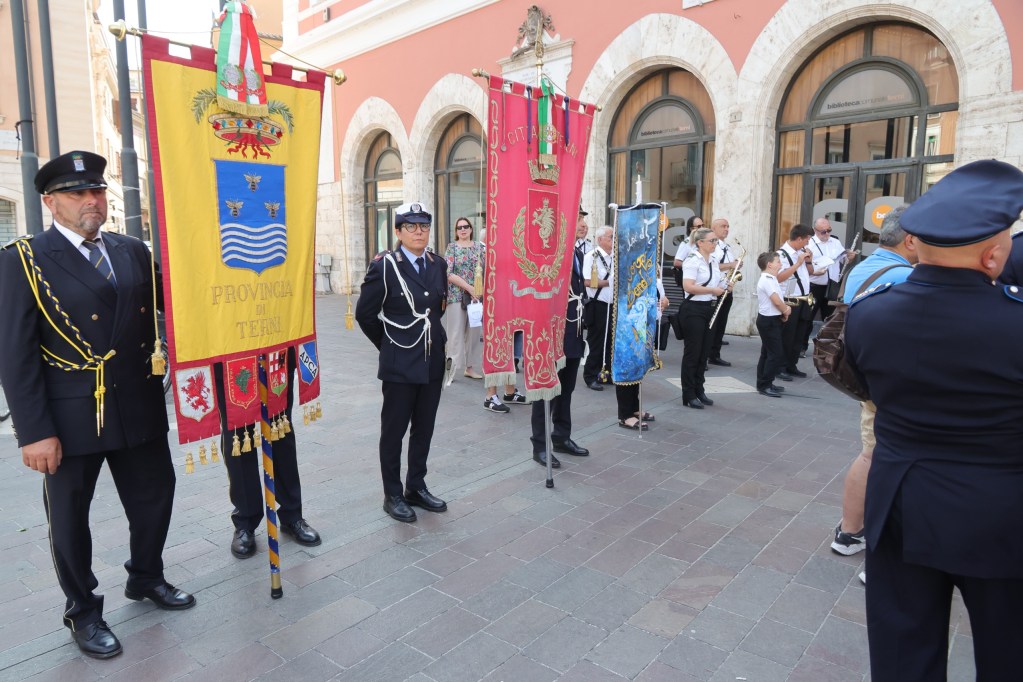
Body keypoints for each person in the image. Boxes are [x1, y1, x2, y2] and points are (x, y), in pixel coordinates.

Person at [0, 151, 195, 659]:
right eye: (76, 193)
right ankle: (83, 611)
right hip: (68, 416)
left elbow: (173, 305)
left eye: (97, 191)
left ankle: (145, 576)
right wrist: (33, 431)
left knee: (155, 497)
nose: (91, 201)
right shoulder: (23, 258)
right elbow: (15, 353)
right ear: (50, 202)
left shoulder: (131, 250)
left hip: (137, 402)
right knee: (69, 518)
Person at [845, 159, 1023, 681]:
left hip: (899, 498)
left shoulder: (869, 312)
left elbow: (868, 386)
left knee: (903, 652)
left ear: (917, 245)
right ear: (993, 256)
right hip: (1000, 509)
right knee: (1008, 650)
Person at [830, 205, 916, 559]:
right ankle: (870, 540)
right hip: (895, 383)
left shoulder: (862, 267)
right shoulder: (905, 277)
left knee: (870, 452)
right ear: (911, 240)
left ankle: (849, 531)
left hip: (866, 376)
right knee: (884, 457)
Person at [355, 201, 449, 524]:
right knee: (394, 432)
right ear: (397, 232)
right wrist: (390, 345)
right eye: (411, 226)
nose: (419, 232)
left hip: (431, 362)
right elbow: (364, 314)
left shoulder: (438, 264)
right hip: (399, 364)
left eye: (423, 225)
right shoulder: (385, 266)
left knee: (424, 429)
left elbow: (438, 309)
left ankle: (416, 486)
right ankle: (392, 494)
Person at [213, 349, 321, 559]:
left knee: (281, 432)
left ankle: (292, 515)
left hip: (273, 345)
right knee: (239, 438)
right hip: (230, 347)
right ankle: (245, 520)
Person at [529, 229, 590, 467]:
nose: (582, 223)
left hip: (573, 329)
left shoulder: (576, 252)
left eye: (583, 218)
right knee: (547, 389)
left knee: (567, 388)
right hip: (551, 330)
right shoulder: (548, 254)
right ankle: (540, 445)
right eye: (578, 217)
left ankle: (561, 436)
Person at [679, 227, 726, 409]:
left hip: (709, 307)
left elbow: (716, 282)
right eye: (712, 241)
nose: (715, 243)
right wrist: (713, 290)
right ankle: (688, 394)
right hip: (693, 309)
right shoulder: (692, 260)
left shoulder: (713, 260)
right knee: (693, 352)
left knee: (704, 352)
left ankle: (699, 389)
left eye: (716, 241)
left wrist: (724, 285)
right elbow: (688, 286)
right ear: (700, 243)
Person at [443, 217, 485, 382]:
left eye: (466, 226)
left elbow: (486, 269)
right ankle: (450, 370)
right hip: (457, 296)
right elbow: (448, 273)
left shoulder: (479, 248)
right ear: (456, 231)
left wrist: (479, 291)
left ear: (471, 229)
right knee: (455, 334)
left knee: (474, 334)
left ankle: (470, 367)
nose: (463, 229)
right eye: (459, 227)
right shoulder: (452, 248)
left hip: (476, 297)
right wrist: (469, 287)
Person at [775, 224, 815, 381]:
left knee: (799, 335)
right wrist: (798, 263)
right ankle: (780, 367)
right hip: (790, 300)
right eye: (807, 240)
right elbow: (779, 277)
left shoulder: (801, 253)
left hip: (803, 298)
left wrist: (808, 262)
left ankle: (792, 365)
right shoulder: (781, 255)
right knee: (787, 336)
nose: (807, 244)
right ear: (799, 238)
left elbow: (810, 273)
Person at [754, 252, 790, 398]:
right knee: (775, 354)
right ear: (769, 264)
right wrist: (786, 310)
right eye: (778, 261)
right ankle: (765, 385)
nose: (780, 264)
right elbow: (775, 300)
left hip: (771, 319)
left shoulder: (771, 278)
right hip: (768, 321)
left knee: (767, 353)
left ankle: (764, 382)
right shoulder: (767, 279)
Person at [582, 225, 614, 390]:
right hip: (597, 305)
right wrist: (610, 282)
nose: (613, 240)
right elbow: (588, 282)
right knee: (596, 342)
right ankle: (590, 376)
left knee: (610, 342)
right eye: (610, 237)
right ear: (600, 239)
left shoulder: (615, 257)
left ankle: (607, 374)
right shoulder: (591, 257)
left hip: (612, 305)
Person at [807, 217, 856, 322]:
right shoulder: (809, 244)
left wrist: (850, 257)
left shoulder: (835, 242)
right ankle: (803, 338)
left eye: (829, 230)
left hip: (832, 286)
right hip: (814, 286)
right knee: (808, 318)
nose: (827, 234)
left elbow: (844, 261)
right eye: (823, 232)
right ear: (814, 230)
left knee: (830, 319)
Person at [707, 218, 739, 367]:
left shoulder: (727, 246)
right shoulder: (712, 246)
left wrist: (735, 266)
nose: (726, 229)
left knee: (721, 324)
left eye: (728, 226)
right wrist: (730, 265)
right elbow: (713, 266)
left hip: (727, 288)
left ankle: (715, 354)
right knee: (712, 324)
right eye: (723, 226)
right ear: (713, 228)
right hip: (715, 289)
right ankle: (705, 356)